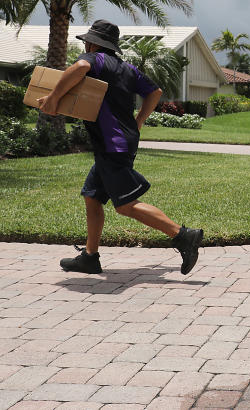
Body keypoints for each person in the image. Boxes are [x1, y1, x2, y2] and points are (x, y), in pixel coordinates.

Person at [37, 19, 203, 275]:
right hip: (119, 140)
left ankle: (183, 236)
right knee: (92, 196)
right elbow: (155, 91)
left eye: (87, 43)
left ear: (92, 43)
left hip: (112, 143)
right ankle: (90, 258)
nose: (85, 47)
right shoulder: (127, 68)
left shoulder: (95, 60)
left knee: (126, 205)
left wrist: (53, 98)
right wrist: (138, 121)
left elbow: (80, 66)